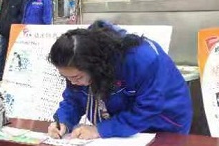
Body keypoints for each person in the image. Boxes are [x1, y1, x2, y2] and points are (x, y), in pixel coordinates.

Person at [47, 21, 193, 139]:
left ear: (95, 66)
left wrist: (101, 130)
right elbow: (74, 99)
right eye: (67, 78)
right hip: (124, 124)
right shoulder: (77, 61)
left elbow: (149, 108)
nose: (73, 82)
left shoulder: (141, 59)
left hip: (164, 121)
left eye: (77, 77)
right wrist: (63, 121)